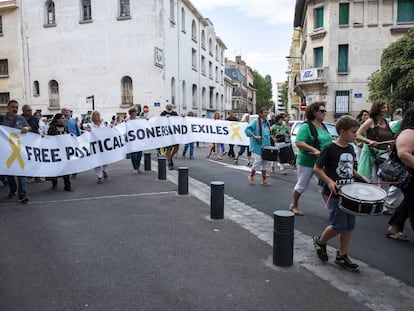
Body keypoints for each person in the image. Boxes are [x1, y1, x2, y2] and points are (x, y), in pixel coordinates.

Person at [313, 115, 370, 272]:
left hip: (348, 193)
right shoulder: (329, 149)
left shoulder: (351, 148)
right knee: (338, 226)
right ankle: (320, 241)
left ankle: (342, 256)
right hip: (333, 193)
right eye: (353, 132)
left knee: (349, 226)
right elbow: (317, 168)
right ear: (342, 132)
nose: (356, 135)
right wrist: (330, 181)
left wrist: (361, 177)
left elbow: (350, 168)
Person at [289, 102, 332, 216]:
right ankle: (294, 204)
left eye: (325, 111)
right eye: (322, 111)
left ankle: (332, 209)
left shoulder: (323, 126)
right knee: (302, 184)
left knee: (326, 185)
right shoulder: (306, 126)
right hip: (307, 161)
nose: (324, 113)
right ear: (314, 112)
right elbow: (299, 142)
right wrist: (314, 150)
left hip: (321, 162)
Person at [356, 100, 394, 214]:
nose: (386, 110)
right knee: (368, 178)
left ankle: (380, 205)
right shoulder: (370, 121)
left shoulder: (386, 122)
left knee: (382, 179)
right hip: (370, 152)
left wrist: (390, 145)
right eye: (383, 108)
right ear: (377, 109)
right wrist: (369, 141)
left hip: (383, 154)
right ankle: (365, 203)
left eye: (386, 107)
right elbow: (357, 134)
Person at [386, 105, 414, 241]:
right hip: (410, 177)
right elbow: (404, 154)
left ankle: (394, 228)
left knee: (408, 203)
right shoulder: (409, 132)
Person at [0, 100, 31, 203]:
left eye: (17, 107)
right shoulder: (1, 119)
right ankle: (13, 190)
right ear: (8, 108)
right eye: (13, 107)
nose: (15, 109)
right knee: (9, 174)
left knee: (21, 172)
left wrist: (26, 128)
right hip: (6, 152)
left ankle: (22, 195)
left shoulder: (21, 119)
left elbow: (29, 128)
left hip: (19, 151)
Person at [245, 107, 272, 186]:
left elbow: (267, 133)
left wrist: (272, 138)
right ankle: (251, 176)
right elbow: (247, 130)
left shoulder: (267, 122)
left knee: (265, 162)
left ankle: (264, 180)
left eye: (267, 113)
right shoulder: (255, 121)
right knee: (258, 160)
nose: (266, 114)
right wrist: (254, 136)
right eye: (265, 113)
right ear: (260, 114)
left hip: (266, 145)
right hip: (257, 144)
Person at [47, 113, 73, 191]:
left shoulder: (65, 127)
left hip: (64, 151)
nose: (64, 119)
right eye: (62, 118)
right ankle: (54, 183)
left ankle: (67, 186)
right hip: (55, 151)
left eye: (64, 118)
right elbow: (49, 139)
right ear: (57, 119)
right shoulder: (52, 128)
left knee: (66, 169)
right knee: (55, 168)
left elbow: (68, 136)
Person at [87, 111, 109, 183]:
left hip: (103, 145)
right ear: (92, 117)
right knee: (97, 161)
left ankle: (105, 170)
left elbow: (107, 132)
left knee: (105, 160)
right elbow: (87, 135)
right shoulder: (90, 125)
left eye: (97, 115)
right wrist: (89, 131)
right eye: (95, 115)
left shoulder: (103, 124)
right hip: (95, 146)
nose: (96, 117)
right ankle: (99, 177)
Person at [62, 107, 81, 178]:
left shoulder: (73, 120)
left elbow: (77, 130)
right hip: (64, 142)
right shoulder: (61, 121)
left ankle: (74, 171)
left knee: (74, 156)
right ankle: (67, 171)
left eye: (68, 111)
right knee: (66, 157)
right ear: (62, 112)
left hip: (74, 141)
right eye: (64, 111)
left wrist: (80, 139)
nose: (66, 112)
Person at [160, 103, 179, 170]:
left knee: (176, 148)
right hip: (167, 133)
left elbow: (178, 120)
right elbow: (160, 121)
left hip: (174, 133)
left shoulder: (175, 113)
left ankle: (170, 157)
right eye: (168, 106)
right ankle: (169, 162)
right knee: (169, 148)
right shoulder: (163, 113)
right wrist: (165, 118)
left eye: (170, 106)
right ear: (166, 107)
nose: (169, 107)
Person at [126, 107, 143, 174]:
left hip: (138, 139)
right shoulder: (127, 120)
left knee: (139, 154)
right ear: (131, 113)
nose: (136, 113)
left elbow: (144, 124)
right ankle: (135, 168)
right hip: (131, 140)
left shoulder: (139, 119)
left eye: (136, 112)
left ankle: (138, 167)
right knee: (133, 154)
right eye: (135, 112)